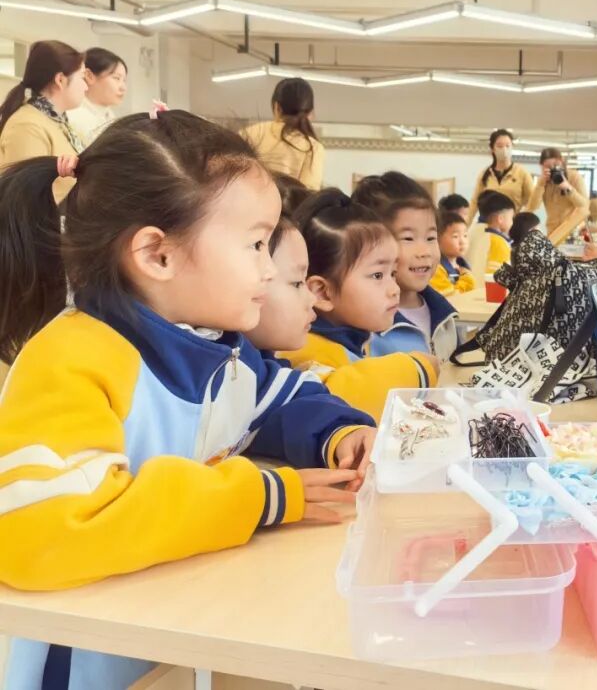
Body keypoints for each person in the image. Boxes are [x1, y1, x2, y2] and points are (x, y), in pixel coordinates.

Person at [0, 110, 375, 688]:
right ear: (158, 254)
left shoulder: (217, 347)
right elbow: (44, 529)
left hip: (172, 639)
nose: (268, 271)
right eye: (256, 244)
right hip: (88, 662)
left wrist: (341, 433)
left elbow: (280, 399)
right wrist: (259, 497)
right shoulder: (73, 356)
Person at [248, 210, 436, 419]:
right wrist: (418, 368)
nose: (395, 289)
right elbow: (329, 401)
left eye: (393, 274)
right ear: (323, 292)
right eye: (377, 275)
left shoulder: (358, 338)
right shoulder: (303, 349)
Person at [353, 172, 459, 361]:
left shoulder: (445, 316)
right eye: (408, 239)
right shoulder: (365, 328)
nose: (424, 251)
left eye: (431, 238)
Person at [0, 40, 86, 166]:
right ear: (60, 80)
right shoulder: (27, 126)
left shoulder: (59, 122)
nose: (86, 87)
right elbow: (28, 179)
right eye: (83, 77)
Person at [241, 77, 324, 188]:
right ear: (311, 113)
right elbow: (309, 193)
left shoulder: (248, 133)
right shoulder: (313, 148)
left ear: (277, 107)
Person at [466, 128, 534, 224]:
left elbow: (532, 201)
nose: (504, 149)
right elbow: (474, 203)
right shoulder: (485, 174)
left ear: (512, 147)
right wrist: (465, 226)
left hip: (512, 224)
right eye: (500, 146)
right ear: (492, 149)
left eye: (507, 146)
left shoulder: (522, 173)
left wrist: (522, 220)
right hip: (489, 225)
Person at [66, 47, 127, 146]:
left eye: (124, 80)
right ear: (89, 76)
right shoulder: (74, 116)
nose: (123, 87)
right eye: (116, 78)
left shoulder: (108, 114)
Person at [525, 147, 589, 238]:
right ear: (541, 166)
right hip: (553, 231)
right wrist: (540, 184)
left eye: (556, 165)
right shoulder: (544, 181)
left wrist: (568, 188)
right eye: (548, 166)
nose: (553, 169)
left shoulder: (574, 177)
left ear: (562, 161)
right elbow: (532, 207)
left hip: (573, 231)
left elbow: (584, 205)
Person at [466, 190, 515, 275]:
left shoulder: (471, 231)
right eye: (511, 218)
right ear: (500, 219)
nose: (512, 222)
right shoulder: (499, 242)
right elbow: (497, 277)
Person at [431, 211, 476, 296]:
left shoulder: (462, 266)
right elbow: (450, 296)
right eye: (455, 236)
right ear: (437, 239)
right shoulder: (435, 269)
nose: (462, 242)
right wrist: (467, 278)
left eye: (465, 235)